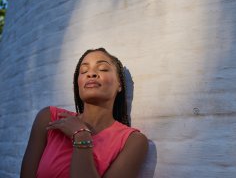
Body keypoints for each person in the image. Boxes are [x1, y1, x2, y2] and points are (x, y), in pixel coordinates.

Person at [21, 48, 148, 178]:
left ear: (119, 84)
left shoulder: (132, 141)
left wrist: (82, 137)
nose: (91, 74)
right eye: (84, 71)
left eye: (103, 68)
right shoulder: (50, 118)